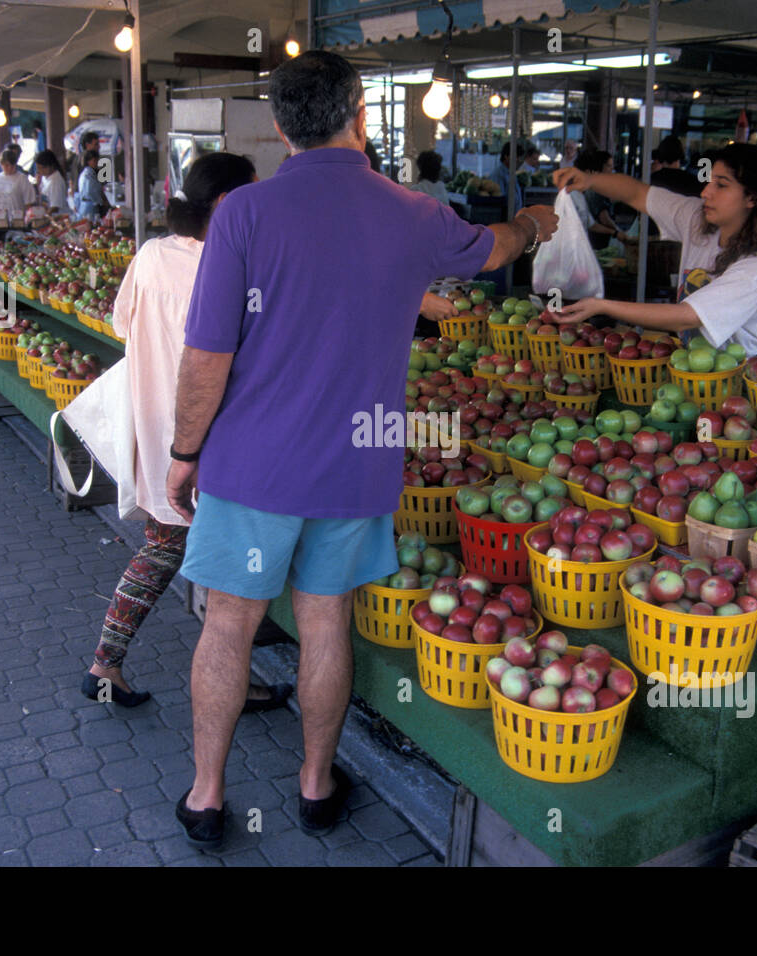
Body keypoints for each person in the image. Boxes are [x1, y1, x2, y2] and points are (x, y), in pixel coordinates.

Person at [164, 49, 557, 850]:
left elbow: (206, 356)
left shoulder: (242, 213)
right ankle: (315, 787)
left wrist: (183, 451)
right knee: (325, 623)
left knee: (229, 626)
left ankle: (206, 795)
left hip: (252, 466)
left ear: (279, 127)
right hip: (354, 465)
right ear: (361, 115)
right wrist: (536, 221)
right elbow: (493, 251)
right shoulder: (410, 212)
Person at [84, 151, 291, 714]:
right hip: (210, 441)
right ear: (226, 203)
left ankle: (107, 661)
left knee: (166, 547)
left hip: (158, 432)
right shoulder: (233, 269)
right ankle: (222, 682)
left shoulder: (151, 254)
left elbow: (120, 322)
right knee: (218, 569)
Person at [549, 143, 757, 358]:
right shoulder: (698, 220)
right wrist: (589, 180)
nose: (706, 192)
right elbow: (637, 193)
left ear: (752, 198)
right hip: (693, 363)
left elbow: (688, 316)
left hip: (742, 371)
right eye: (709, 181)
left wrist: (603, 306)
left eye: (722, 185)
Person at [572, 149, 626, 249]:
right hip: (581, 245)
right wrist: (617, 231)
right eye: (609, 166)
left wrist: (615, 232)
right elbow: (603, 219)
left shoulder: (580, 195)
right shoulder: (573, 195)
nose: (612, 170)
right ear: (588, 172)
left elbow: (591, 224)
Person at [0, 147, 37, 225]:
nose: (9, 168)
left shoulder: (22, 179)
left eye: (12, 165)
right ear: (1, 164)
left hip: (16, 221)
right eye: (6, 165)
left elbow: (28, 203)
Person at [75, 149, 107, 219]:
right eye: (94, 161)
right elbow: (90, 191)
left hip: (85, 206)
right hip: (89, 206)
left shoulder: (87, 173)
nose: (96, 163)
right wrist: (101, 201)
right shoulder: (88, 175)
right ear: (88, 161)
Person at [33, 149, 68, 213]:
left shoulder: (56, 182)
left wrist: (44, 217)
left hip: (58, 217)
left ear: (51, 166)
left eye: (42, 168)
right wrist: (38, 184)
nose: (39, 170)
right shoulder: (45, 176)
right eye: (38, 168)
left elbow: (55, 207)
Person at [491, 142, 523, 210]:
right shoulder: (499, 174)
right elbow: (499, 199)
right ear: (506, 156)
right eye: (516, 157)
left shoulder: (511, 173)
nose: (519, 160)